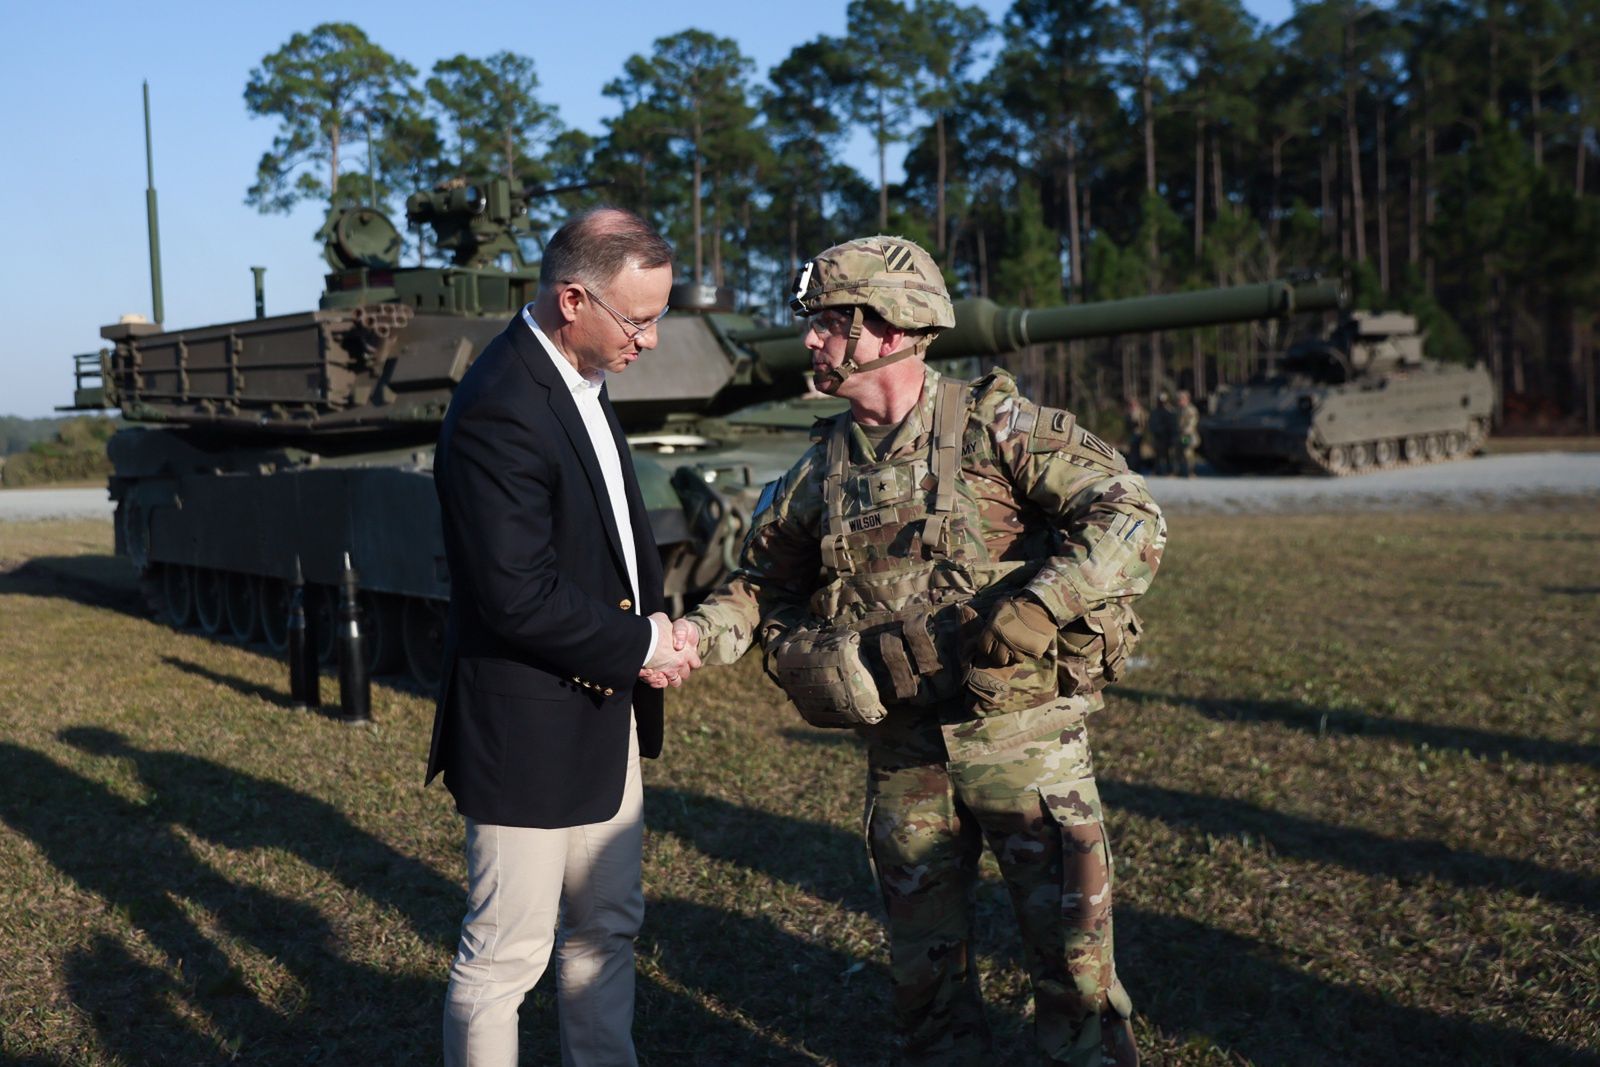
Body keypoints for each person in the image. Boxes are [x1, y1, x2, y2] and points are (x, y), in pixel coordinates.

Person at [673, 236, 1165, 1066]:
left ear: (893, 328)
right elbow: (760, 586)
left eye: (831, 321)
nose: (811, 339)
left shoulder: (995, 426)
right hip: (903, 755)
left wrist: (1043, 603)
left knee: (1074, 968)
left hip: (1024, 745)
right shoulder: (818, 470)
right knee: (924, 978)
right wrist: (696, 634)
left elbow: (1129, 513)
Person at [426, 207, 700, 1067]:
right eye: (638, 320)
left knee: (607, 926)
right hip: (528, 727)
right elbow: (515, 594)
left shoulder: (582, 372)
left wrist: (644, 638)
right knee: (506, 956)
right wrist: (644, 644)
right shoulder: (500, 404)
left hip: (599, 708)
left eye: (658, 317)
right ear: (572, 299)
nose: (650, 340)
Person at [1149, 391, 1176, 475]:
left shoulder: (1170, 411)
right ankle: (1157, 470)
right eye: (1160, 401)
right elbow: (1151, 423)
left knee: (1168, 454)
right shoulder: (1155, 412)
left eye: (1164, 401)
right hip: (1158, 436)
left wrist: (1172, 435)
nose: (1162, 403)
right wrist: (1155, 431)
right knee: (1157, 454)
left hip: (1167, 436)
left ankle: (1170, 471)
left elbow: (1173, 425)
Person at [1174, 390, 1200, 477]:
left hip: (1187, 436)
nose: (1179, 401)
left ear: (1187, 399)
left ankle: (1191, 472)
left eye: (1181, 399)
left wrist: (1186, 430)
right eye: (1178, 399)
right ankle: (1177, 471)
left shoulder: (1191, 410)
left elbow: (1192, 423)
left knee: (1187, 451)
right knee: (1177, 452)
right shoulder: (1179, 410)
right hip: (1180, 435)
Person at [1122, 396, 1148, 473]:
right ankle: (1133, 467)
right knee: (1132, 452)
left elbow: (1143, 423)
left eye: (1133, 404)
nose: (1132, 406)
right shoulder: (1129, 412)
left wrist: (1140, 428)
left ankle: (1137, 467)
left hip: (1138, 434)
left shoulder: (1140, 412)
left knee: (1137, 452)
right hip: (1131, 434)